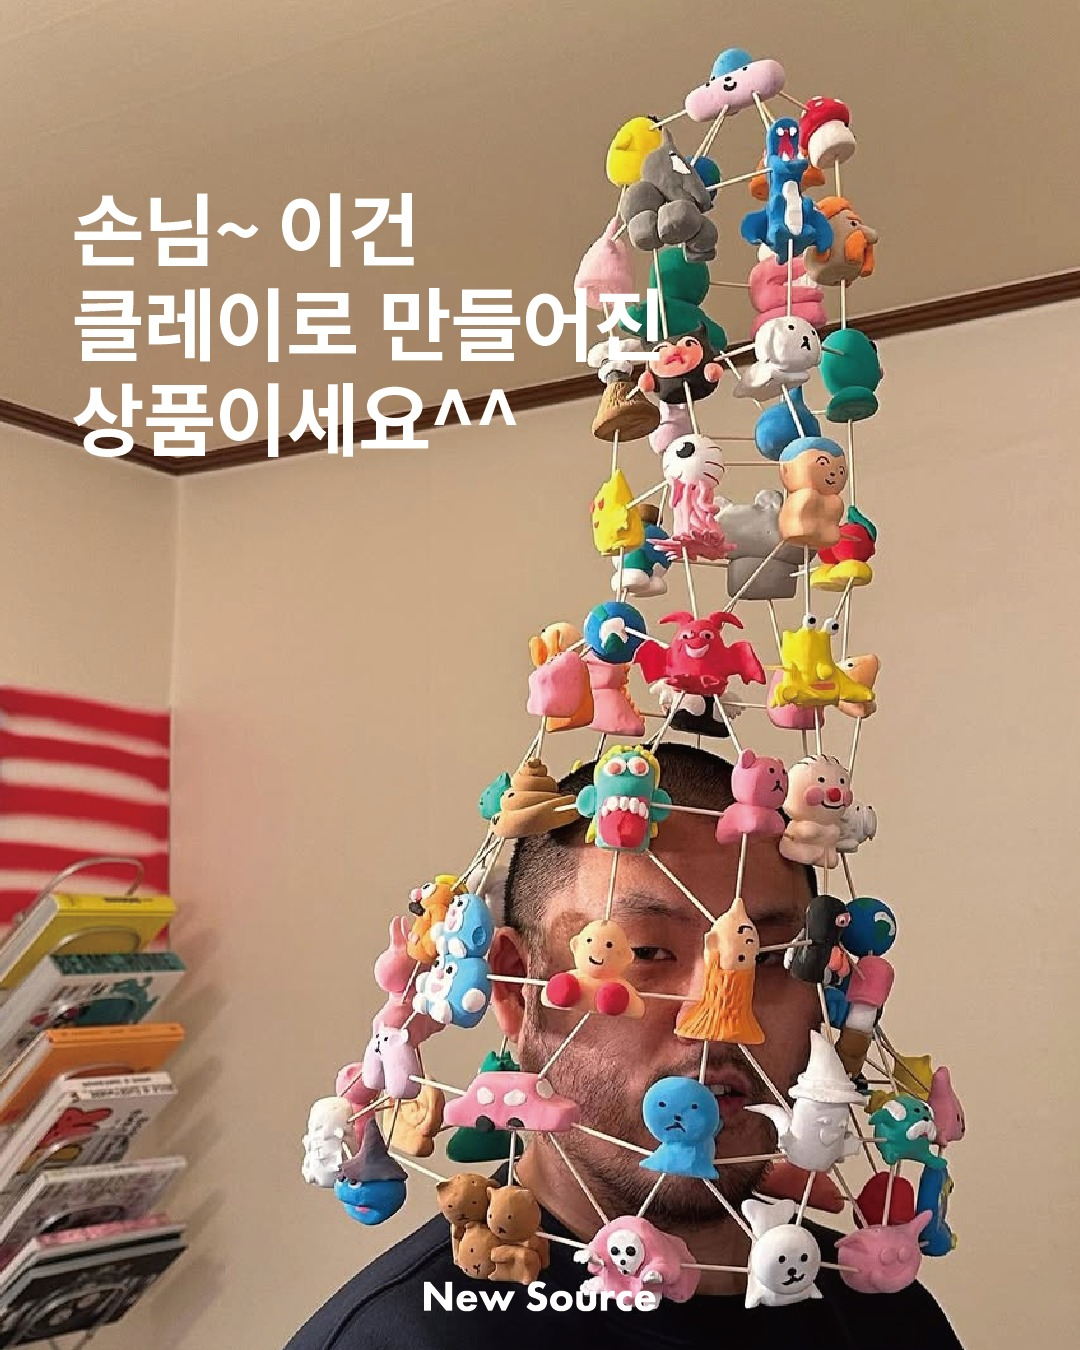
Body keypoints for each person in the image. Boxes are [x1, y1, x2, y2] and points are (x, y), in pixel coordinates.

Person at [286, 744, 962, 1349]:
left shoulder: (890, 1321)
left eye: (772, 956)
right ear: (515, 992)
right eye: (645, 952)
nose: (716, 1020)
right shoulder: (397, 1338)